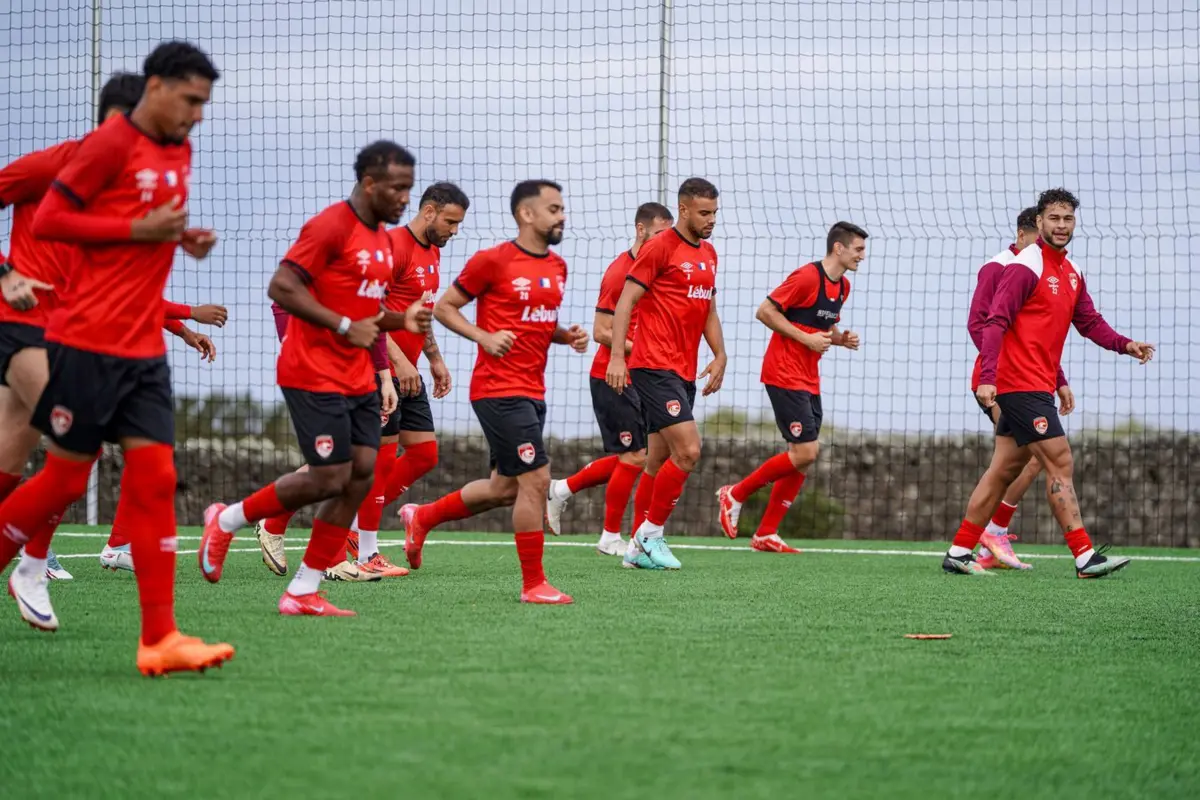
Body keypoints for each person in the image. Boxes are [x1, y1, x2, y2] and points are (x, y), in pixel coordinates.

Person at [0, 41, 234, 675]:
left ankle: (160, 638)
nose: (198, 115)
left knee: (155, 478)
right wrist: (6, 273)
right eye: (190, 100)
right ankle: (29, 568)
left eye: (205, 104)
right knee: (61, 476)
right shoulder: (99, 147)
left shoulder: (179, 149)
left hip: (142, 350)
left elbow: (142, 235)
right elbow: (50, 221)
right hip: (82, 340)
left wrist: (182, 240)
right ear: (154, 88)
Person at [198, 140, 431, 617]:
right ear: (369, 184)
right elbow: (281, 287)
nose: (405, 198)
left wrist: (396, 332)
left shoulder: (385, 244)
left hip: (360, 377)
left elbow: (367, 312)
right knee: (330, 476)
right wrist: (345, 326)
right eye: (397, 188)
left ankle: (303, 591)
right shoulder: (330, 226)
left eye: (409, 188)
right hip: (311, 372)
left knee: (360, 477)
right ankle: (227, 520)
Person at [945, 188, 1155, 578]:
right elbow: (994, 323)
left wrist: (1125, 344)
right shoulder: (1026, 264)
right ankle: (1084, 556)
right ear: (1038, 222)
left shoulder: (1072, 272)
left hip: (1037, 382)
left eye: (1068, 219)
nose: (1061, 226)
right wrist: (988, 378)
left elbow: (1089, 322)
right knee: (1060, 459)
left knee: (1005, 468)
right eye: (1054, 219)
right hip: (1018, 383)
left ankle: (959, 550)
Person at [400, 179, 588, 604]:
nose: (562, 216)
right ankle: (534, 585)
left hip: (533, 391)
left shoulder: (558, 266)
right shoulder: (492, 261)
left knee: (506, 488)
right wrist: (483, 337)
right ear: (527, 214)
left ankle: (422, 518)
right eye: (554, 209)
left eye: (562, 209)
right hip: (498, 389)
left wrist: (566, 336)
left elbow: (534, 323)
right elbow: (444, 308)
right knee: (537, 480)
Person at [716, 221, 867, 553]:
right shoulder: (806, 277)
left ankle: (766, 533)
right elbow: (765, 311)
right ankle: (735, 493)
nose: (862, 256)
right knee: (806, 451)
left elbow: (820, 327)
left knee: (803, 457)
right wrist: (805, 339)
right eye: (858, 249)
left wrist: (841, 339)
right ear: (838, 248)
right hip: (783, 374)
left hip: (809, 378)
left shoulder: (842, 288)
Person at [343, 181, 467, 572]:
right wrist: (397, 363)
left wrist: (434, 357)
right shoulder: (394, 245)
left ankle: (350, 526)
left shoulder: (432, 252)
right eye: (450, 221)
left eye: (459, 223)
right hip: (381, 368)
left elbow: (422, 311)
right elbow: (369, 307)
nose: (454, 230)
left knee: (424, 453)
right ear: (428, 211)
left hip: (409, 371)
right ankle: (365, 551)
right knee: (373, 462)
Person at [606, 178, 727, 571]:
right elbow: (625, 302)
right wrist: (617, 358)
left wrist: (720, 353)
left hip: (683, 370)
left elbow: (707, 308)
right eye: (704, 213)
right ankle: (649, 535)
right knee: (689, 450)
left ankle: (636, 550)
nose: (710, 220)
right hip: (652, 365)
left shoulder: (709, 254)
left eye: (715, 213)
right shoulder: (660, 247)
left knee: (657, 462)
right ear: (685, 209)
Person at [544, 202, 673, 555]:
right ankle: (609, 538)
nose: (666, 242)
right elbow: (601, 331)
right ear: (641, 230)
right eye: (661, 234)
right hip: (612, 376)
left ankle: (563, 490)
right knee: (634, 458)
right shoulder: (620, 271)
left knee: (641, 457)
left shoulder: (659, 269)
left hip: (645, 377)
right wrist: (645, 350)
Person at [964, 207, 1050, 570]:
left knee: (1027, 460)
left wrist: (1056, 380)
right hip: (998, 382)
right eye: (1037, 241)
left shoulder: (1039, 270)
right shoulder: (997, 266)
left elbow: (1036, 334)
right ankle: (988, 536)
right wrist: (993, 374)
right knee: (1030, 457)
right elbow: (977, 324)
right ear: (1021, 234)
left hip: (1027, 381)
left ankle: (984, 545)